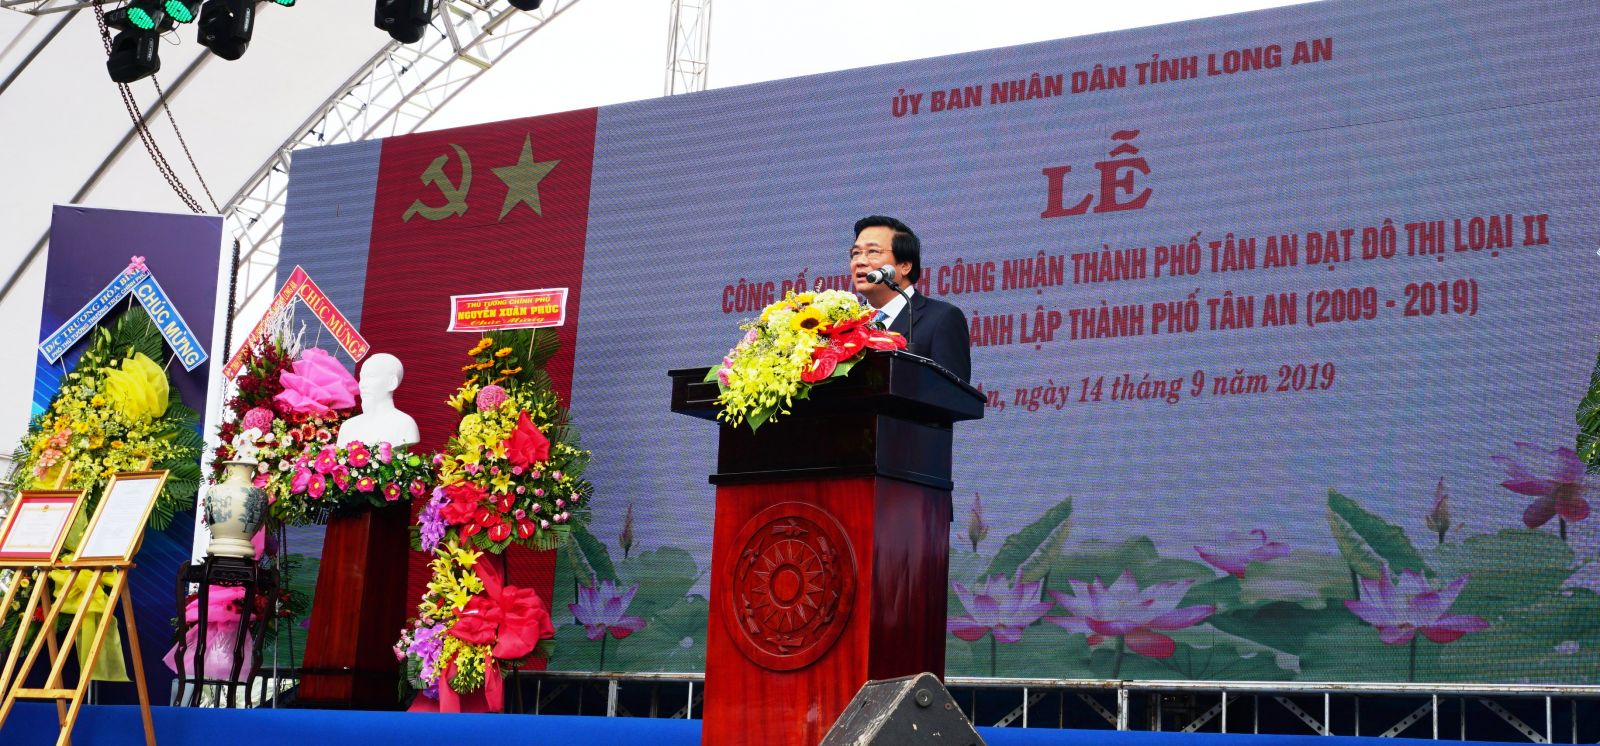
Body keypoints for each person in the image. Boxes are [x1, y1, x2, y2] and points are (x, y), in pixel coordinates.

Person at [850, 215, 971, 382]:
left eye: (872, 252)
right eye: (855, 253)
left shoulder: (941, 319)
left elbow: (953, 398)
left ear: (905, 266)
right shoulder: (843, 325)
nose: (860, 261)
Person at [337, 353, 421, 449]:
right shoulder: (348, 427)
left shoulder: (405, 424)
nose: (362, 385)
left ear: (392, 382)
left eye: (371, 376)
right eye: (362, 378)